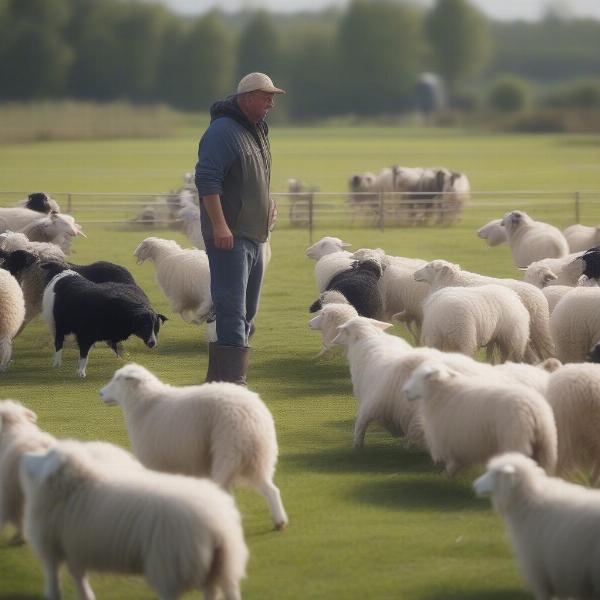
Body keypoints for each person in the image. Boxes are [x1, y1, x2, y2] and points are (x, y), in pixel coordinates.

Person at [194, 72, 285, 386]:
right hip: (230, 237)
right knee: (232, 309)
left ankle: (218, 382)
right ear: (246, 98)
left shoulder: (256, 130)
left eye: (273, 97)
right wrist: (220, 225)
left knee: (247, 310)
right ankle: (234, 384)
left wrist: (267, 203)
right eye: (266, 96)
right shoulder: (222, 132)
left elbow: (253, 178)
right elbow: (207, 181)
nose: (271, 103)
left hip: (255, 234)